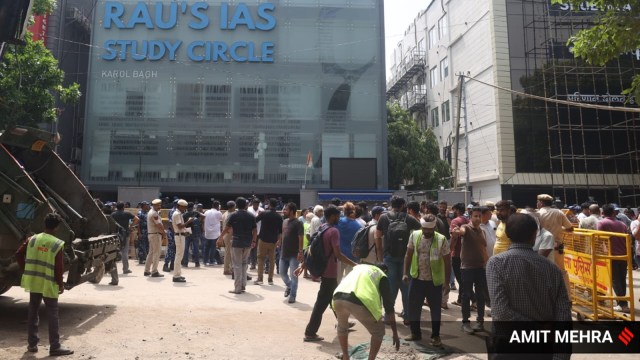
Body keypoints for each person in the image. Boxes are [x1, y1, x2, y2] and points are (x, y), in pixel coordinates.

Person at [486, 213, 571, 359]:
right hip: (542, 347)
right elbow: (563, 314)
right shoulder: (552, 269)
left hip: (508, 345)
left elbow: (500, 312)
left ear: (507, 234)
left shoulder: (496, 263)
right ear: (534, 234)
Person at [296, 205, 358, 342]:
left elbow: (314, 249)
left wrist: (303, 265)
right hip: (330, 272)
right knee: (322, 303)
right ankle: (310, 332)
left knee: (334, 299)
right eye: (337, 215)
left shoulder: (322, 228)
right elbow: (338, 254)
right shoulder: (334, 231)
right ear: (332, 216)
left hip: (325, 270)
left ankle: (343, 323)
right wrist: (355, 265)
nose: (339, 218)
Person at [15, 213, 74, 356]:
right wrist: (60, 284)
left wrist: (26, 268)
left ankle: (32, 345)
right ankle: (55, 346)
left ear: (44, 224)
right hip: (49, 283)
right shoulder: (56, 243)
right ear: (57, 227)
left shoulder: (32, 239)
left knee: (33, 311)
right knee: (52, 313)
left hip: (34, 281)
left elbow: (18, 254)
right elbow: (58, 267)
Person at [333, 264, 400, 360]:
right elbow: (389, 306)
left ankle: (346, 357)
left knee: (342, 328)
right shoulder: (381, 275)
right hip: (358, 300)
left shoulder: (360, 268)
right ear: (385, 271)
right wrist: (395, 333)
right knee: (378, 331)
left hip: (337, 297)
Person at [403, 215, 451, 346]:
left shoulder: (441, 240)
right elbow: (408, 254)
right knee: (414, 307)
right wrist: (405, 273)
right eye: (424, 229)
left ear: (434, 227)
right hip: (417, 279)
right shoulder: (414, 235)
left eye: (429, 230)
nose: (427, 232)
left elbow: (448, 262)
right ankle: (415, 333)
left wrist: (447, 283)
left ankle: (435, 336)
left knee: (435, 309)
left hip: (434, 282)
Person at [375, 196, 421, 323]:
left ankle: (389, 316)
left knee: (390, 287)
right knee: (406, 287)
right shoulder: (409, 218)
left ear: (391, 205)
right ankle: (408, 316)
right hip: (406, 257)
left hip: (389, 257)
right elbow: (421, 231)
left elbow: (377, 237)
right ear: (402, 206)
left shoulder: (384, 217)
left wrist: (380, 256)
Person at [451, 207, 488, 334]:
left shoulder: (482, 230)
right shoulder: (466, 227)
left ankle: (480, 321)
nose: (478, 218)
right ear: (471, 217)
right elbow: (461, 231)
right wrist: (456, 232)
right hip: (467, 268)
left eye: (479, 216)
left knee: (480, 296)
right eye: (475, 216)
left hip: (481, 267)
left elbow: (483, 246)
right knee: (466, 295)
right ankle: (466, 322)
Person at [597, 204, 630, 313]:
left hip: (611, 256)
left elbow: (599, 240)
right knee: (621, 279)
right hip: (624, 255)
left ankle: (622, 304)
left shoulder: (602, 223)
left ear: (602, 213)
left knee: (616, 280)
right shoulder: (622, 224)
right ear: (613, 213)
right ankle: (623, 302)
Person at [537, 194, 573, 291]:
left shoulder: (538, 214)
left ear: (541, 203)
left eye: (538, 202)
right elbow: (570, 228)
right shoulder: (559, 212)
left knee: (543, 273)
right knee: (561, 272)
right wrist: (560, 229)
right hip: (557, 248)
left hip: (542, 249)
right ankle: (567, 297)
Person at [222, 197, 257, 294]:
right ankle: (243, 285)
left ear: (236, 205)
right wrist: (254, 241)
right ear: (246, 205)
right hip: (248, 242)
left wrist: (220, 238)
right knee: (244, 264)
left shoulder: (233, 215)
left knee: (237, 265)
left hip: (237, 242)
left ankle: (237, 288)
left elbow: (227, 228)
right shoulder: (251, 216)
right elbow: (255, 230)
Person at [254, 198, 283, 285]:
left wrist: (259, 215)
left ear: (269, 204)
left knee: (260, 258)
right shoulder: (279, 216)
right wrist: (279, 240)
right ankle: (270, 279)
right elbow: (280, 231)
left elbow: (255, 220)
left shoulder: (264, 213)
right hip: (273, 241)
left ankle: (260, 278)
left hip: (263, 239)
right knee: (272, 260)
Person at [280, 202, 304, 303]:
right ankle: (290, 286)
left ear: (292, 211)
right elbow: (283, 234)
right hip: (283, 252)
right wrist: (279, 242)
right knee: (282, 273)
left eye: (286, 209)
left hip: (294, 254)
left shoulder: (298, 223)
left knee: (293, 275)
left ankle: (293, 296)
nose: (284, 211)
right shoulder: (284, 221)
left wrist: (300, 252)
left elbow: (301, 238)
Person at [336, 202, 363, 282]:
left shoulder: (338, 222)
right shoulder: (359, 226)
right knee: (349, 281)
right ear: (354, 211)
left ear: (344, 211)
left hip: (339, 255)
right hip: (352, 257)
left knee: (337, 280)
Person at [110, 202, 139, 275]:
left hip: (115, 235)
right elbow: (137, 219)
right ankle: (125, 269)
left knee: (113, 252)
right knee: (125, 252)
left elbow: (110, 223)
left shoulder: (113, 214)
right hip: (125, 234)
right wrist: (130, 225)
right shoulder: (127, 214)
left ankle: (110, 269)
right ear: (123, 207)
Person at [448, 202, 468, 307]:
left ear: (456, 210)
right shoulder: (467, 220)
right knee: (463, 277)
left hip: (456, 254)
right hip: (466, 253)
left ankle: (473, 300)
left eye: (453, 210)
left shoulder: (455, 221)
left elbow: (454, 238)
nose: (452, 212)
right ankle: (460, 300)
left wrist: (449, 251)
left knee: (460, 279)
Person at [172, 199, 193, 283]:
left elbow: (181, 227)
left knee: (179, 256)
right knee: (179, 256)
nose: (184, 208)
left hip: (180, 235)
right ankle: (176, 276)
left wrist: (186, 231)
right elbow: (180, 226)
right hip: (179, 236)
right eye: (183, 207)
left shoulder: (179, 213)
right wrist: (189, 221)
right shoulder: (177, 214)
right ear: (179, 206)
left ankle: (178, 274)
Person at [144, 199, 166, 277]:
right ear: (154, 205)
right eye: (158, 205)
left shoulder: (152, 212)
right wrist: (164, 233)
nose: (160, 206)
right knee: (156, 253)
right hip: (155, 235)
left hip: (152, 234)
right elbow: (159, 225)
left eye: (160, 205)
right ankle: (154, 271)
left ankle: (147, 270)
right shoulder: (154, 213)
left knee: (151, 252)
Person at [203, 201, 223, 266]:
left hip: (207, 232)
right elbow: (221, 220)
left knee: (207, 248)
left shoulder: (206, 212)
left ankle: (205, 261)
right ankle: (211, 261)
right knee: (213, 247)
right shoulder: (218, 213)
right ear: (218, 206)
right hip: (215, 233)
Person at [247, 198, 264, 270]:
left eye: (257, 204)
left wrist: (261, 215)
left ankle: (260, 264)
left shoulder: (262, 210)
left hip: (260, 231)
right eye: (254, 204)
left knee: (260, 249)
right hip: (251, 232)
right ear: (252, 204)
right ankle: (252, 264)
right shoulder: (248, 209)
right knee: (252, 248)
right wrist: (258, 216)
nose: (256, 205)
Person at [221, 201, 236, 275]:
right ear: (233, 206)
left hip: (226, 235)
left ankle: (228, 268)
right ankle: (227, 269)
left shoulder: (225, 213)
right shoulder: (231, 215)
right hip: (229, 234)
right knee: (229, 253)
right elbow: (229, 226)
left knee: (228, 252)